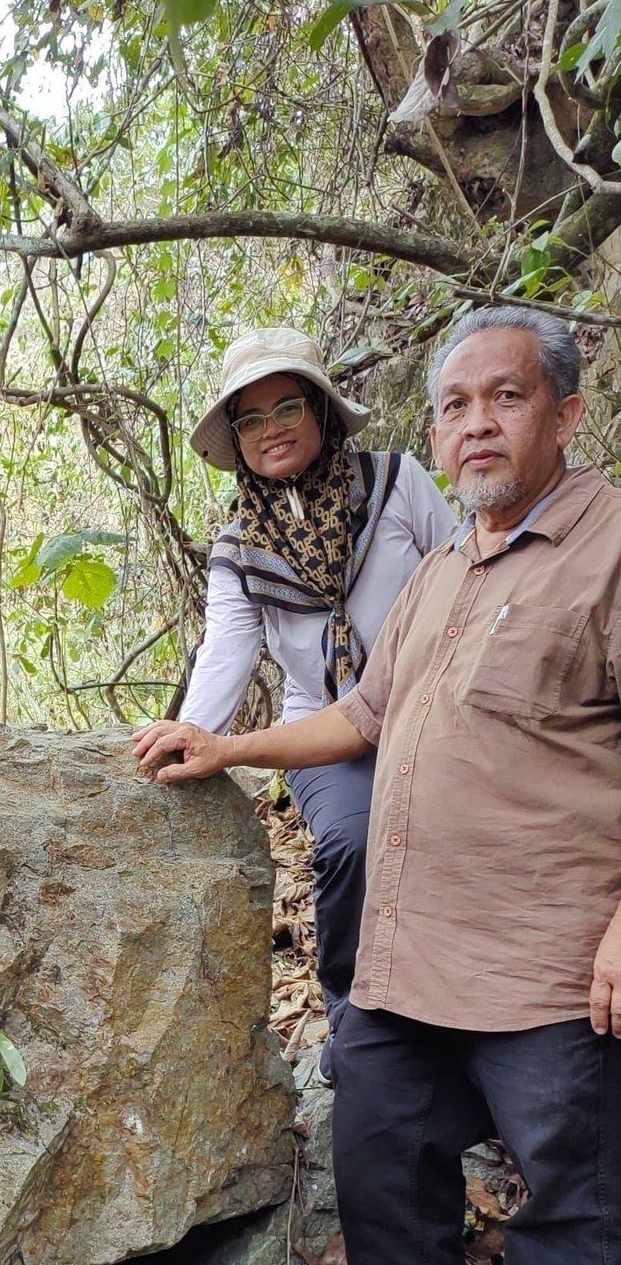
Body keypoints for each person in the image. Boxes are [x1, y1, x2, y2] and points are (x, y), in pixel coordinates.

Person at [134, 306, 621, 1265]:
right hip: (412, 938)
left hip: (545, 946)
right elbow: (357, 718)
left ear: (566, 415)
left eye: (502, 400)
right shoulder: (450, 564)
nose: (475, 426)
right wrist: (226, 741)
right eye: (455, 405)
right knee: (378, 1131)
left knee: (567, 1173)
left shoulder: (610, 548)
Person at [182, 328, 454, 1067]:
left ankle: (453, 1007)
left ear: (323, 412)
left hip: (435, 712)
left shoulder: (398, 483)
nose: (272, 430)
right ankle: (350, 1009)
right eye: (251, 418)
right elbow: (224, 659)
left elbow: (468, 583)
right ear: (236, 440)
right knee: (352, 839)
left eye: (287, 407)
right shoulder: (238, 549)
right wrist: (187, 738)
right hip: (319, 727)